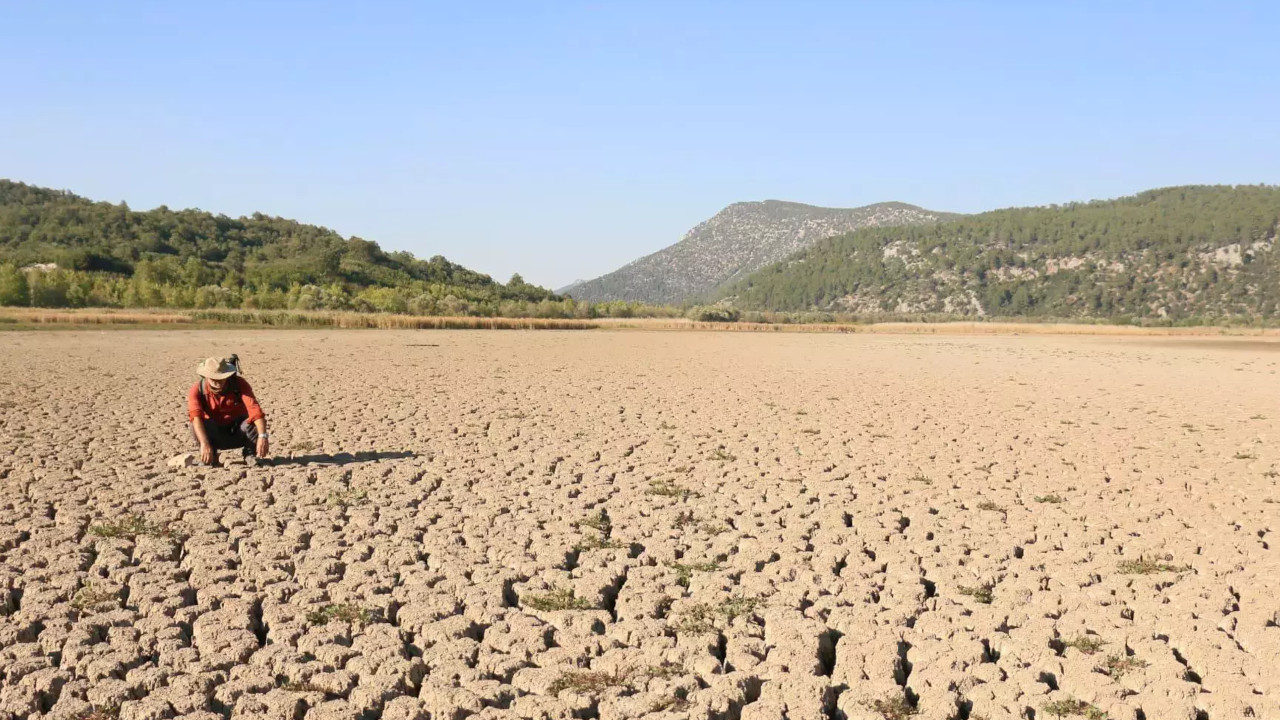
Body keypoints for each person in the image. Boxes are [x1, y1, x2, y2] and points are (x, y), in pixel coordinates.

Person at [188, 355, 269, 466]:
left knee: (255, 423)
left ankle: (250, 454)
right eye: (213, 378)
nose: (218, 382)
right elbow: (195, 416)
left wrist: (262, 436)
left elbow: (256, 411)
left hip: (238, 432)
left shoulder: (239, 384)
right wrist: (204, 443)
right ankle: (211, 456)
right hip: (214, 435)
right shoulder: (197, 389)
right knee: (195, 425)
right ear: (206, 376)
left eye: (221, 378)